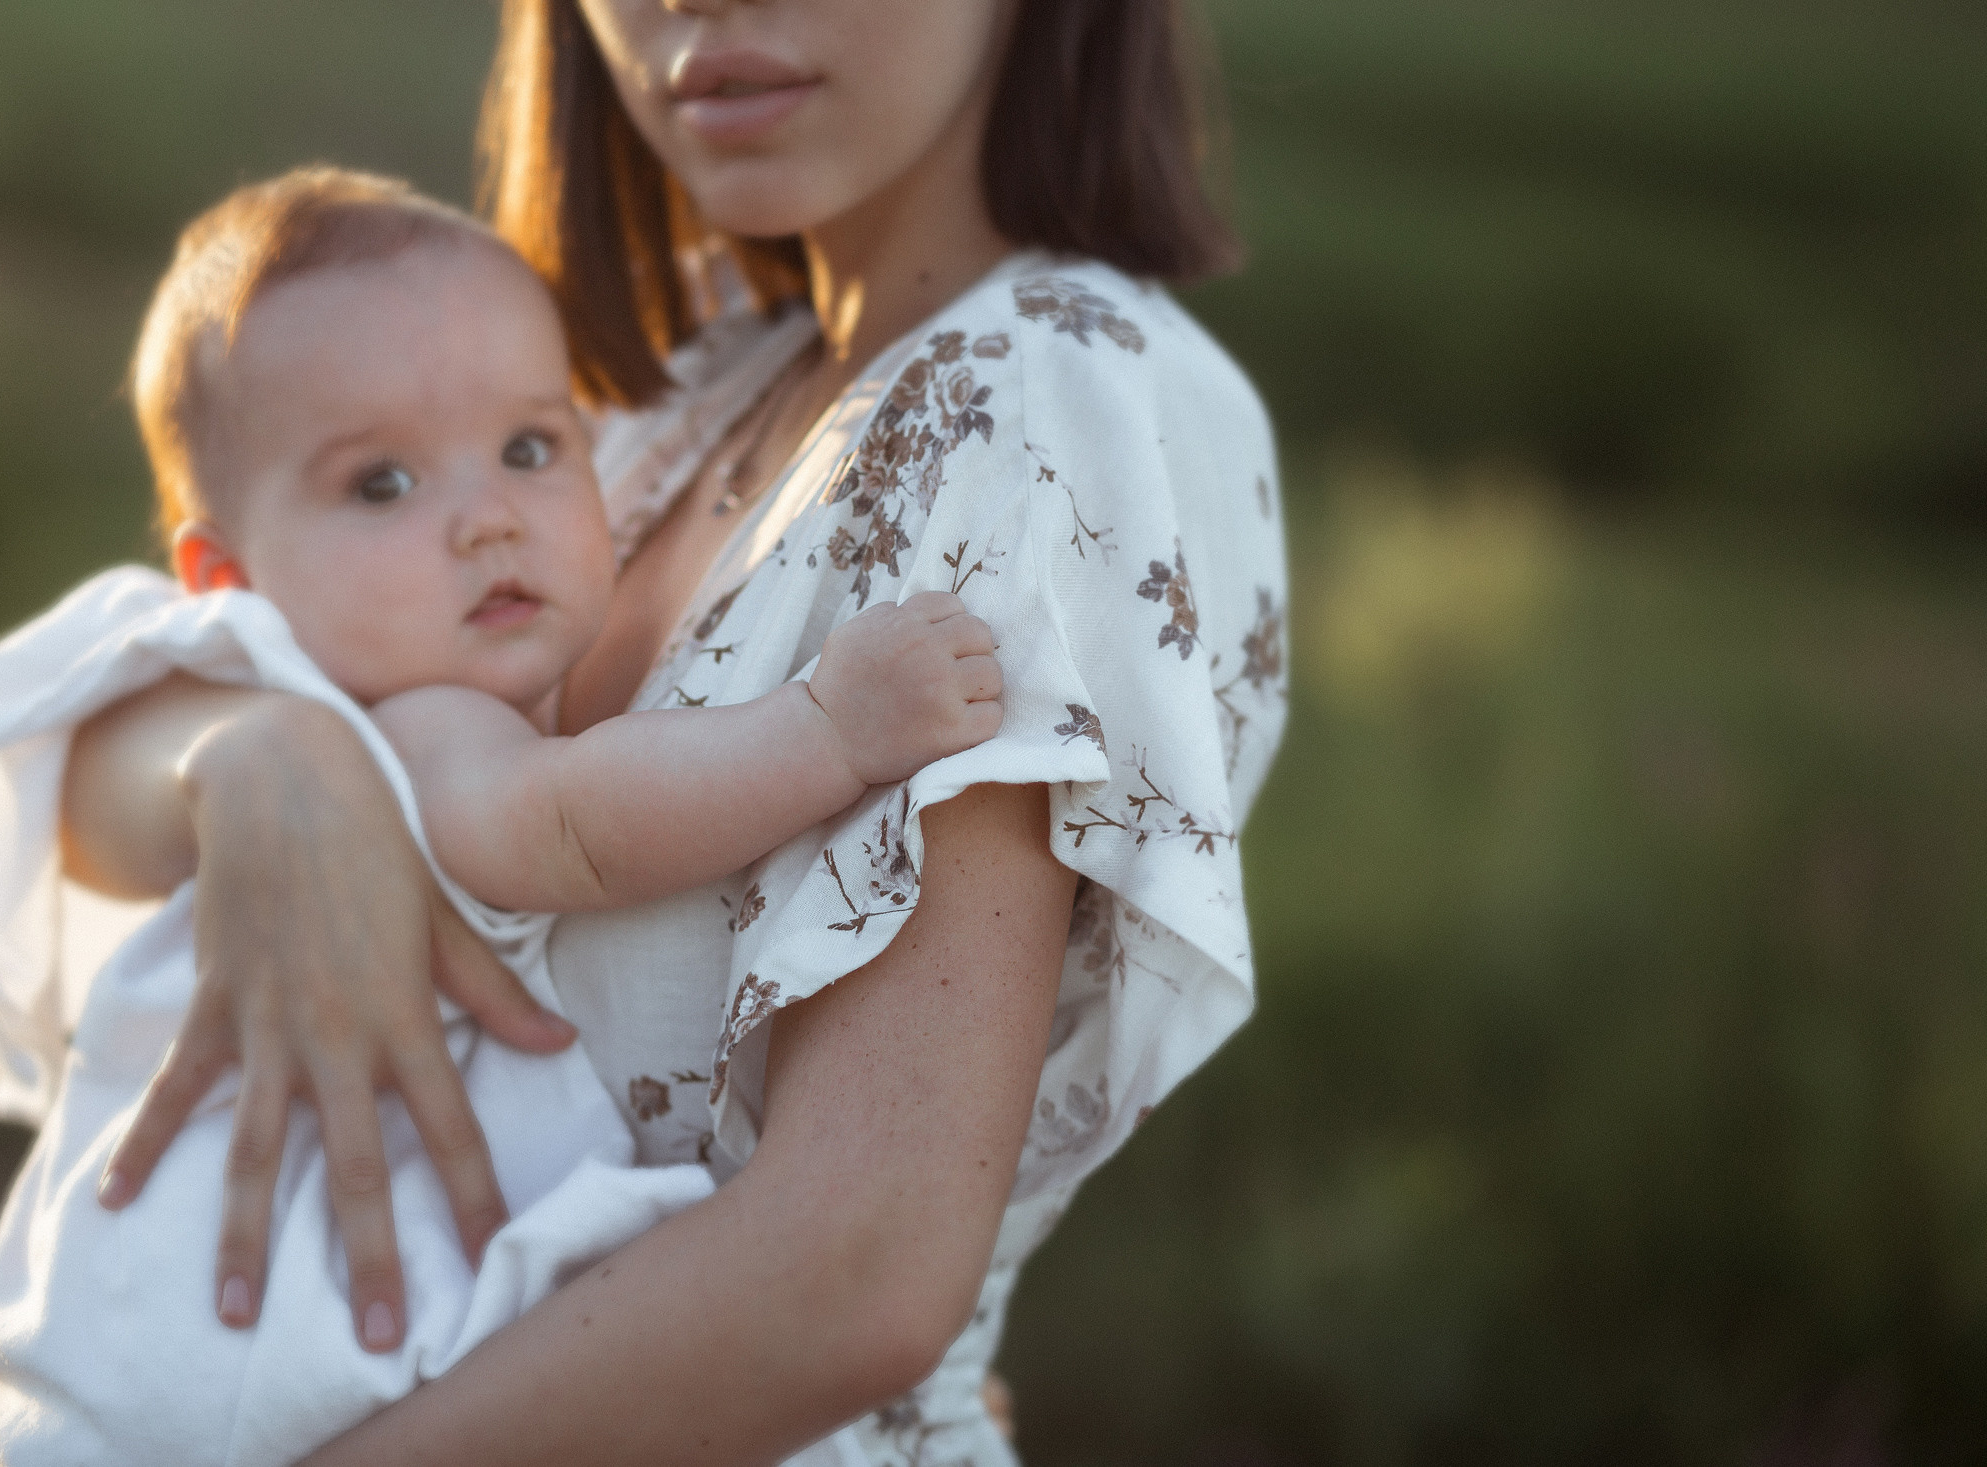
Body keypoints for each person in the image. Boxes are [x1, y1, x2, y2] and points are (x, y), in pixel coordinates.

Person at [73, 0, 1287, 1461]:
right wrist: (264, 763)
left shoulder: (1044, 396)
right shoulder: (684, 382)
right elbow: (80, 788)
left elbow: (854, 1279)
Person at [0, 166, 1002, 1467]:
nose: (487, 521)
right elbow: (567, 825)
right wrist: (826, 730)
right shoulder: (406, 726)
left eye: (530, 449)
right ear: (227, 577)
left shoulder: (267, 701)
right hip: (268, 1346)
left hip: (137, 1348)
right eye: (381, 486)